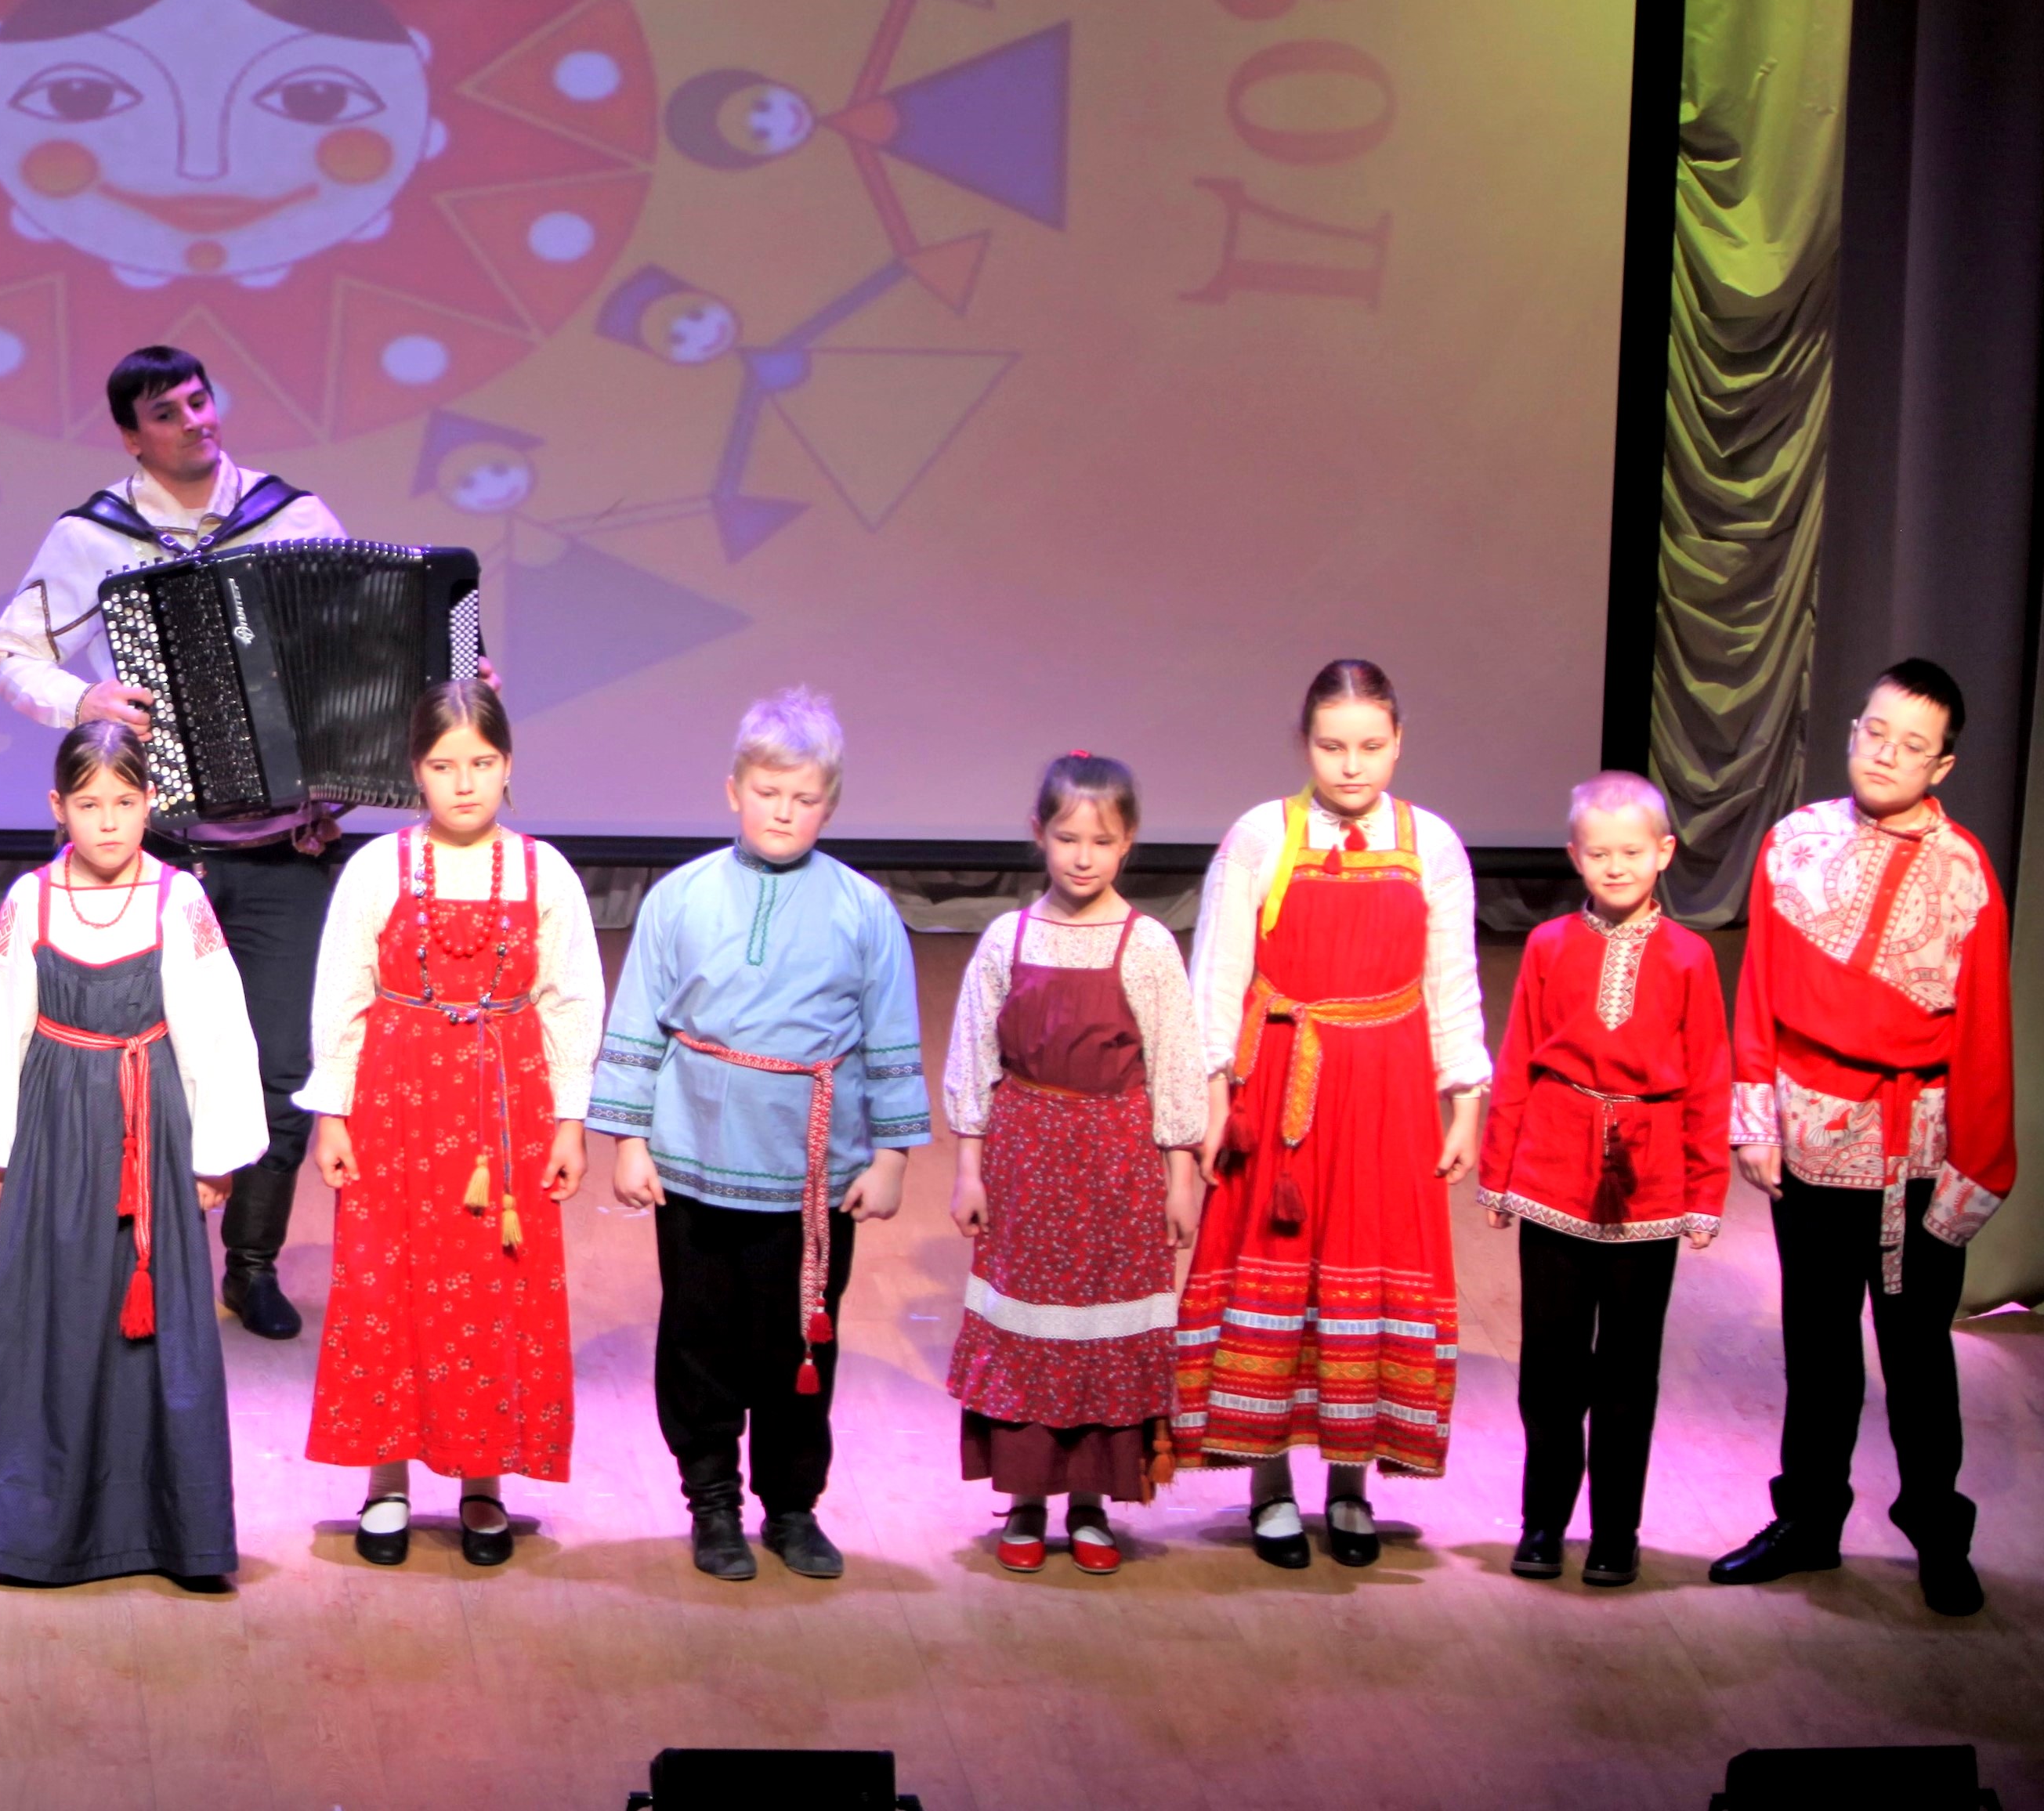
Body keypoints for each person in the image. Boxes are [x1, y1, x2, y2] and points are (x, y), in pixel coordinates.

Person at [0, 344, 345, 1340]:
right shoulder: (92, 537)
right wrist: (82, 698)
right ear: (131, 436)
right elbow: (9, 654)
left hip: (284, 846)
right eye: (168, 411)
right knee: (148, 1067)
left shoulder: (293, 518)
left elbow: (362, 650)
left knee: (281, 1071)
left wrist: (443, 679)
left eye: (199, 399)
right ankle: (153, 1252)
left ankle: (252, 1263)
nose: (196, 420)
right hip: (162, 851)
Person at [592, 688, 926, 1583]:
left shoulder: (863, 909)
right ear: (733, 791)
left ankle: (791, 1507)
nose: (783, 812)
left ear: (831, 804)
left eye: (804, 797)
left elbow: (891, 1035)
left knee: (800, 1347)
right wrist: (628, 1139)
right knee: (699, 1340)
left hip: (812, 1177)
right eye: (767, 792)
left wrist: (891, 1156)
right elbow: (639, 1018)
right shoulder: (679, 897)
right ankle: (711, 1502)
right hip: (695, 1164)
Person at [1710, 660, 2011, 1618]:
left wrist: (1977, 1168)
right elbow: (1758, 989)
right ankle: (1807, 1519)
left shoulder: (1964, 873)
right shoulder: (1793, 843)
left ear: (1942, 764)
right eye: (1874, 732)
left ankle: (1935, 1529)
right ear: (1851, 731)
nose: (1885, 754)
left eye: (1911, 744)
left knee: (1916, 1353)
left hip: (1911, 1148)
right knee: (1816, 1346)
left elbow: (1985, 1035)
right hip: (1807, 1132)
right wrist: (1754, 1117)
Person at [1174, 659, 1490, 1570]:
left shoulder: (1431, 844)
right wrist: (1211, 1097)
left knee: (1367, 1267)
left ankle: (1349, 1484)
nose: (1351, 765)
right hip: (1282, 1084)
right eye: (1330, 746)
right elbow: (1216, 975)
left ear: (1398, 743)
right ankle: (1268, 1484)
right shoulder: (1259, 835)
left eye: (1369, 746)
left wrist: (1465, 1099)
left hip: (1387, 1086)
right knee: (1275, 1268)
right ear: (1303, 743)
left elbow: (1452, 984)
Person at [0, 719, 268, 1588]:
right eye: (88, 805)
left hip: (148, 1123)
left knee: (153, 1314)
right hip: (58, 1125)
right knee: (54, 1309)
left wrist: (214, 1153)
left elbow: (217, 1027)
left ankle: (170, 1530)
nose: (107, 822)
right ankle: (31, 1529)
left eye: (124, 803)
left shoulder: (178, 899)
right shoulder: (31, 900)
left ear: (149, 803)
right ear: (58, 807)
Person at [301, 681, 603, 1569]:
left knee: (490, 1291)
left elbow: (571, 999)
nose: (463, 783)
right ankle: (386, 1480)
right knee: (386, 1286)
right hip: (396, 1103)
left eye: (481, 763)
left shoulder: (544, 872)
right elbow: (341, 992)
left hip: (504, 1107)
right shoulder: (377, 869)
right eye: (443, 766)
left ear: (507, 766)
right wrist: (332, 1113)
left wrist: (570, 1119)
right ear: (415, 772)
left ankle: (483, 1479)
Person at [940, 752, 1211, 1578]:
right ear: (1039, 835)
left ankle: (1090, 1500)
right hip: (1026, 1156)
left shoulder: (1146, 945)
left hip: (1115, 1163)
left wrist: (1179, 1179)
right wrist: (969, 1169)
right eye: (1067, 838)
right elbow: (972, 1057)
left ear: (1127, 842)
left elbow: (1174, 1065)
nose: (1082, 857)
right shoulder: (1007, 939)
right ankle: (1026, 1498)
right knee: (1027, 1327)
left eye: (1101, 840)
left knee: (1101, 1327)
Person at [1480, 771, 1730, 1588]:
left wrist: (1704, 1192)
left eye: (1631, 851)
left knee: (1626, 1369)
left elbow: (1708, 1079)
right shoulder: (1548, 945)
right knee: (1550, 1365)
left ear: (1664, 852)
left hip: (1648, 1179)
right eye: (1598, 853)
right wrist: (1498, 1170)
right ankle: (1543, 1521)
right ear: (1573, 856)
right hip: (1553, 1169)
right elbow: (1516, 1059)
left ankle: (1616, 1531)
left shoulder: (1690, 957)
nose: (1615, 866)